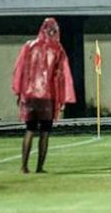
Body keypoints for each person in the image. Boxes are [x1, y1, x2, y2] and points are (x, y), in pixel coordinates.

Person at [11, 18, 76, 173]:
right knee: (45, 132)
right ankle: (40, 167)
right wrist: (62, 99)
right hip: (47, 96)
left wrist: (19, 92)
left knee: (30, 129)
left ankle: (24, 166)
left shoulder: (29, 46)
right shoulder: (58, 49)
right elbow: (61, 75)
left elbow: (19, 70)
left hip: (29, 95)